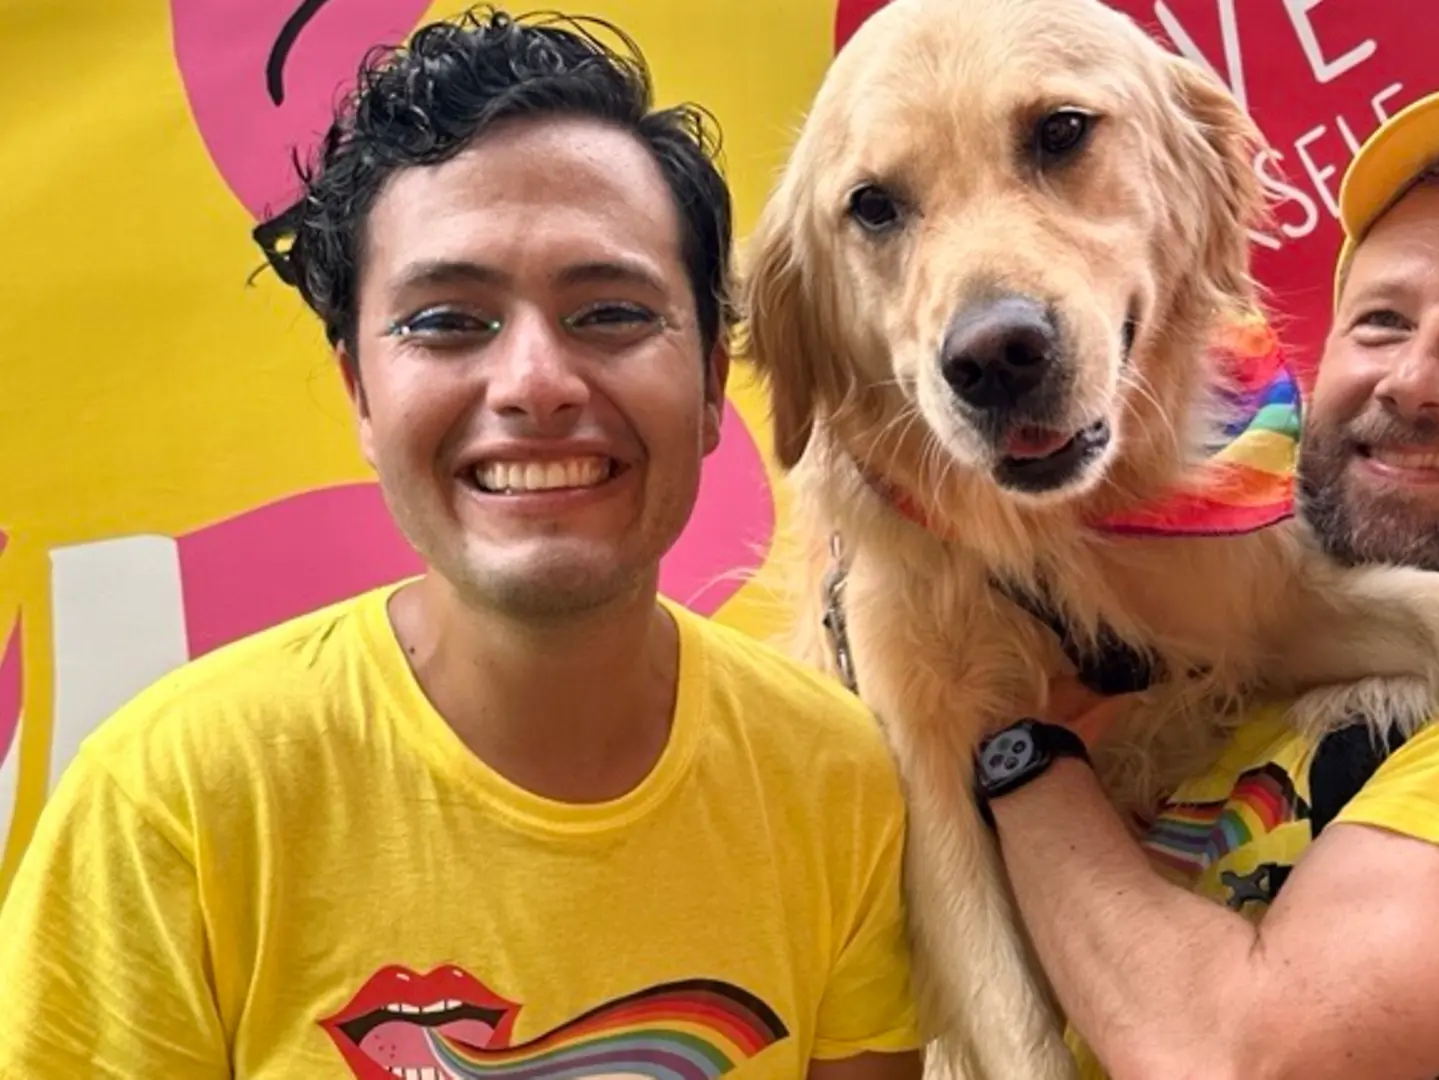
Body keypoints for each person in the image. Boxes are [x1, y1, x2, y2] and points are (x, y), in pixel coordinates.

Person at [0, 11, 921, 1078]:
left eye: (611, 312)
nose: (534, 383)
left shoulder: (833, 778)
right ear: (359, 390)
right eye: (446, 321)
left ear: (716, 379)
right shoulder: (172, 805)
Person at [973, 85, 1439, 1079]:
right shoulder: (1204, 662)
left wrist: (1010, 745)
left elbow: (1229, 1059)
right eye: (1383, 321)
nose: (1413, 379)